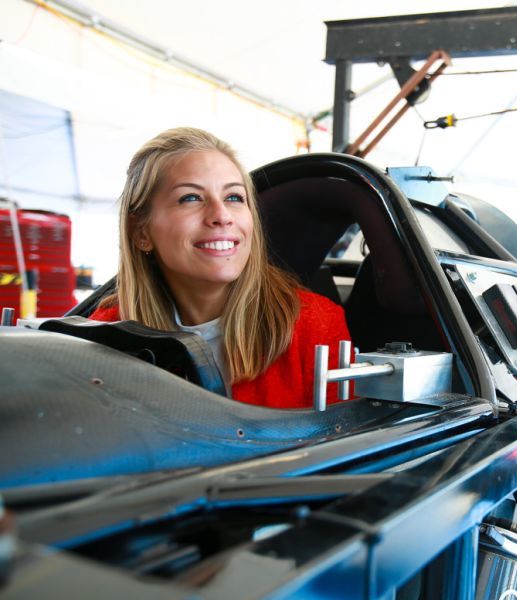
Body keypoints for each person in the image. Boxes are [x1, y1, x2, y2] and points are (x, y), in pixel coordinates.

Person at [90, 127, 350, 408]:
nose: (221, 215)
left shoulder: (316, 327)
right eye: (190, 198)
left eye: (234, 198)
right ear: (141, 232)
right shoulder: (104, 332)